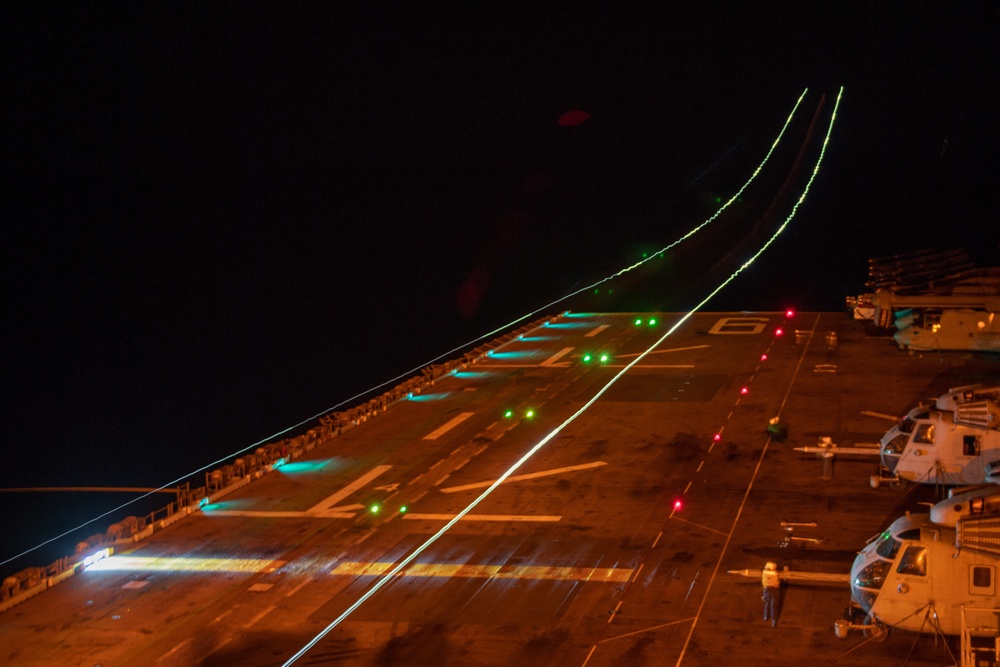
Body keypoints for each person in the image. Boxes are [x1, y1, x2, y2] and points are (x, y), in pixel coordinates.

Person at [762, 562, 780, 626]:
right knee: (774, 604)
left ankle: (766, 616)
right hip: (774, 589)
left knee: (767, 603)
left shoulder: (765, 572)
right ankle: (773, 619)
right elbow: (775, 574)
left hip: (766, 589)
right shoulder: (773, 573)